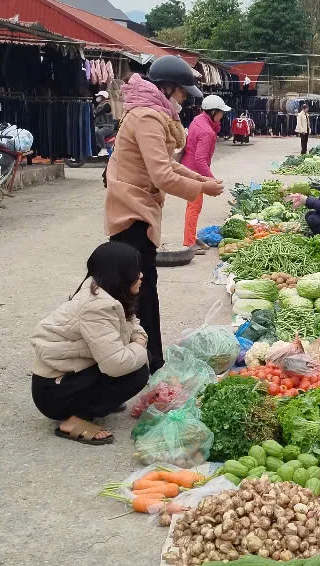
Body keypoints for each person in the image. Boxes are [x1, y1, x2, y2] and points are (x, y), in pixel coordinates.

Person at [105, 56, 224, 371]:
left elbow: (167, 163)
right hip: (131, 212)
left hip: (136, 209)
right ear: (168, 87)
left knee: (138, 287)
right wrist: (201, 188)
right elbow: (162, 175)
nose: (184, 99)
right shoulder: (147, 117)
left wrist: (200, 180)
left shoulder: (149, 112)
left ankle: (142, 355)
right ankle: (149, 361)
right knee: (141, 289)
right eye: (182, 92)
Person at [30, 242, 150, 445]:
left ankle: (95, 402)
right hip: (53, 393)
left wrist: (139, 340)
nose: (141, 275)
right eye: (135, 271)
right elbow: (116, 364)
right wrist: (140, 345)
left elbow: (131, 323)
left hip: (66, 378)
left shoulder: (106, 291)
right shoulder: (98, 306)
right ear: (120, 274)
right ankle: (73, 418)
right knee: (137, 373)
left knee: (137, 358)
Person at [182, 95, 232, 253]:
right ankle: (190, 243)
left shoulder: (198, 119)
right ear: (213, 112)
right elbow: (200, 160)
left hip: (188, 167)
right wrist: (212, 180)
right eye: (221, 113)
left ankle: (191, 237)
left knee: (192, 206)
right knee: (194, 207)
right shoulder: (206, 132)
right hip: (194, 172)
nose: (222, 116)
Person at [92, 91, 115, 156]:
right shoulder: (99, 105)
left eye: (99, 96)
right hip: (100, 125)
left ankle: (104, 149)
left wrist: (95, 115)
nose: (98, 97)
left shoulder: (107, 105)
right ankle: (96, 149)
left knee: (99, 133)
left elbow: (101, 112)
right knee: (93, 131)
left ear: (103, 97)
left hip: (108, 126)